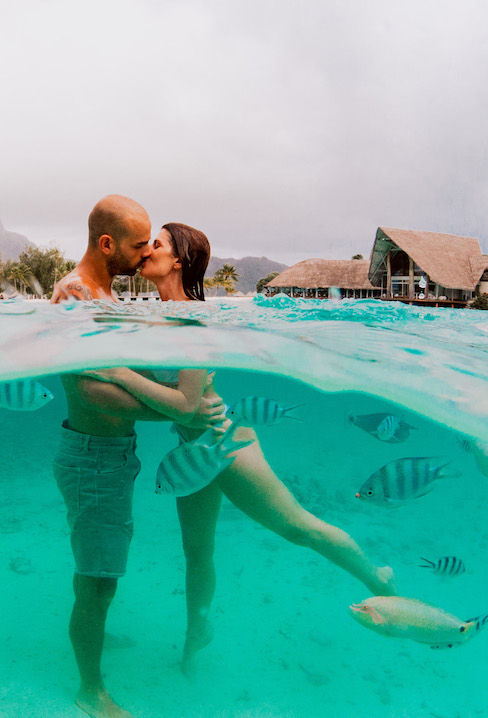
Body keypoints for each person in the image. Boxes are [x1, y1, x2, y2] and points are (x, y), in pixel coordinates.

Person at [85, 222, 397, 675]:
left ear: (177, 261)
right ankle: (198, 633)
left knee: (297, 527)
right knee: (198, 553)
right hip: (194, 449)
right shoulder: (159, 313)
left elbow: (187, 403)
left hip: (224, 444)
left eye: (158, 243)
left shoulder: (192, 318)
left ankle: (376, 576)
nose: (146, 248)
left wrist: (117, 373)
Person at [50, 196, 226, 718]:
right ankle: (90, 689)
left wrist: (184, 397)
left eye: (154, 242)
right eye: (136, 244)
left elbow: (135, 370)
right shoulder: (73, 295)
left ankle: (95, 634)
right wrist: (180, 406)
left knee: (103, 570)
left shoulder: (109, 294)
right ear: (107, 245)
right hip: (93, 456)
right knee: (97, 582)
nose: (145, 251)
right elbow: (88, 391)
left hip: (112, 455)